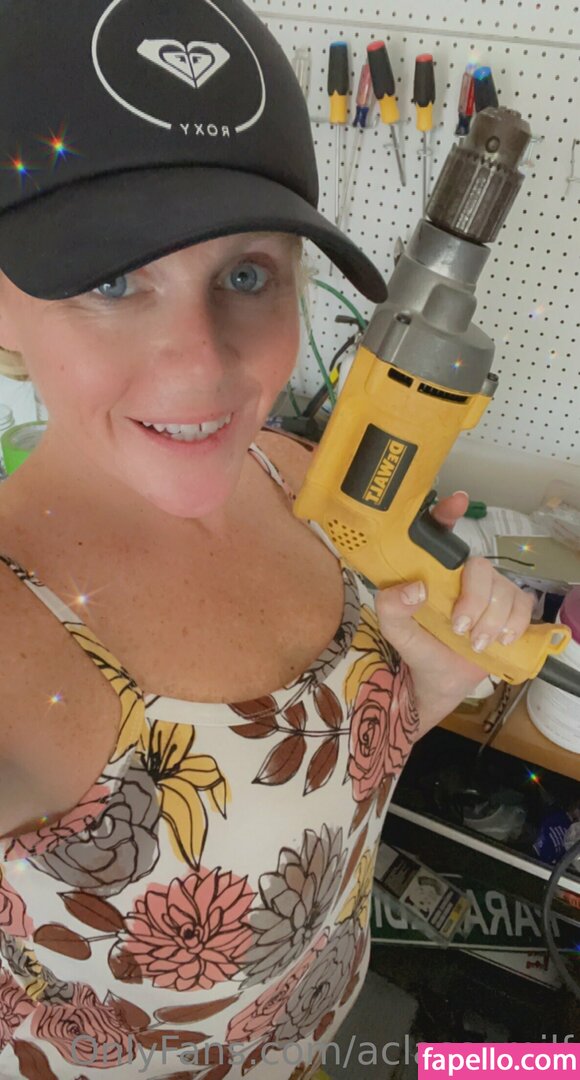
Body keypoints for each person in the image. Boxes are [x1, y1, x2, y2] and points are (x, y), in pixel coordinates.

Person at [0, 1, 534, 1077]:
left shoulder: (294, 477)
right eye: (113, 280)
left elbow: (316, 794)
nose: (202, 364)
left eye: (247, 274)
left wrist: (429, 680)